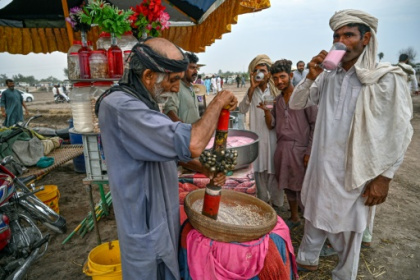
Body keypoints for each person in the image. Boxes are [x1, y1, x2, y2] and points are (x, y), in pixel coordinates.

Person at [96, 37, 238, 280]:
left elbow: (162, 147)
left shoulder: (143, 100)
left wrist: (202, 167)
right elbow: (192, 143)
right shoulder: (122, 107)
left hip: (160, 213)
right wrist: (218, 101)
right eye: (173, 80)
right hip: (144, 222)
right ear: (149, 75)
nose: (175, 88)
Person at [289, 10, 413, 279]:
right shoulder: (327, 76)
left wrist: (385, 177)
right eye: (336, 36)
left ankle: (344, 274)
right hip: (323, 165)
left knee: (351, 225)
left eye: (349, 35)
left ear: (366, 38)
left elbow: (400, 131)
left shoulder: (385, 78)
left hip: (356, 169)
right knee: (314, 212)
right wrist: (310, 76)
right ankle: (307, 259)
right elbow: (296, 104)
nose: (341, 41)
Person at [258, 59, 317, 228]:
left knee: (304, 189)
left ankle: (310, 224)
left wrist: (309, 151)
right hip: (282, 149)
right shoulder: (276, 100)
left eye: (282, 77)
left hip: (301, 149)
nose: (279, 81)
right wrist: (267, 112)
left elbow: (315, 124)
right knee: (287, 185)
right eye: (275, 78)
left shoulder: (304, 96)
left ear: (290, 75)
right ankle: (294, 217)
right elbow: (272, 125)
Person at [238, 54, 283, 213]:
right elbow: (242, 109)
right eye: (256, 70)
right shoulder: (252, 91)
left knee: (274, 171)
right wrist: (251, 88)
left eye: (263, 70)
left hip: (273, 138)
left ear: (269, 73)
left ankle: (277, 204)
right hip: (257, 137)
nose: (259, 73)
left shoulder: (276, 90)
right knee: (259, 171)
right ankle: (263, 204)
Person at [164, 52, 200, 124]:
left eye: (196, 68)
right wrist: (183, 129)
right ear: (183, 69)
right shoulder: (176, 86)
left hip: (195, 133)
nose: (196, 71)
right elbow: (169, 112)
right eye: (192, 68)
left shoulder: (191, 87)